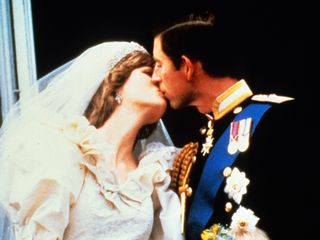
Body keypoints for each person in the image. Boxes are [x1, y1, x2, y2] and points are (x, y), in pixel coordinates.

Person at [0, 41, 184, 240]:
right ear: (116, 85)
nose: (158, 79)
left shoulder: (153, 173)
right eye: (147, 73)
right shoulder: (62, 151)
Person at [151, 15, 307, 240]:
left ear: (187, 67)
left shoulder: (276, 119)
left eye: (159, 64)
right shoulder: (204, 134)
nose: (155, 77)